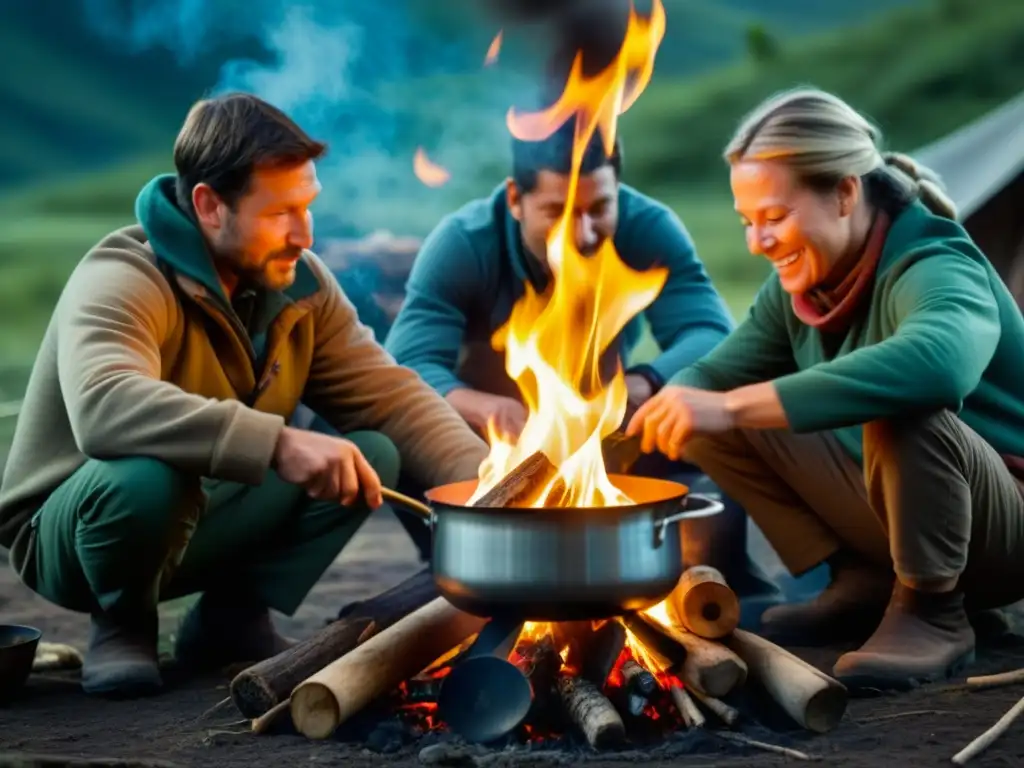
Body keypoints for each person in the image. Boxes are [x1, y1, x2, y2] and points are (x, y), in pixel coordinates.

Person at [0, 93, 490, 698]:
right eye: (281, 212)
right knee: (149, 477)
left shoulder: (302, 286)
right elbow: (105, 406)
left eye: (307, 207)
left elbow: (393, 397)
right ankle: (123, 621)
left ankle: (231, 619)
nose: (304, 234)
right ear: (209, 205)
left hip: (204, 508)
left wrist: (495, 492)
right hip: (75, 529)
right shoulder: (125, 275)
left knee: (370, 451)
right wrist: (279, 442)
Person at [626, 86, 1024, 690]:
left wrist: (732, 405)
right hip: (900, 518)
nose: (757, 243)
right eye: (747, 222)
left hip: (1001, 529)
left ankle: (933, 612)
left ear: (844, 193)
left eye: (775, 218)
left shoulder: (936, 263)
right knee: (698, 416)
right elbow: (712, 375)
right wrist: (673, 403)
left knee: (900, 403)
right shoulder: (800, 291)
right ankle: (860, 578)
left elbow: (939, 365)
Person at [384, 119, 782, 617]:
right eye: (557, 212)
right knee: (391, 428)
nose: (581, 233)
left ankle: (726, 576)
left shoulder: (648, 226)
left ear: (619, 192)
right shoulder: (464, 243)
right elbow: (405, 367)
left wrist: (646, 382)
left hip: (608, 436)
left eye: (599, 209)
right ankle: (450, 563)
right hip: (485, 457)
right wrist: (482, 407)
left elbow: (711, 335)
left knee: (707, 405)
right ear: (515, 199)